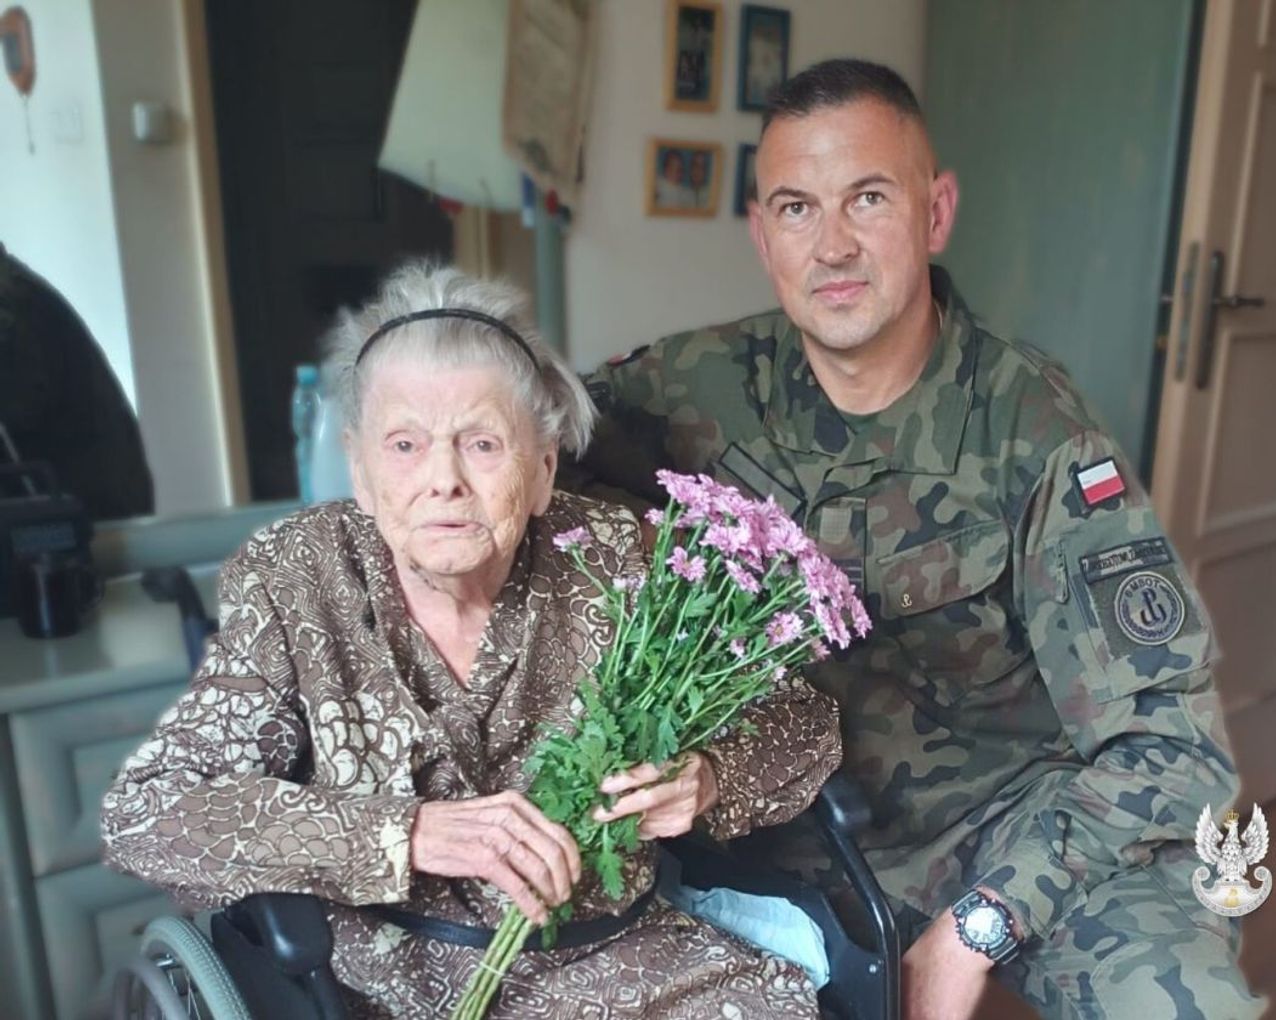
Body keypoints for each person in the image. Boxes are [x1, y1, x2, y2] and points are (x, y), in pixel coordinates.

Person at [568, 60, 1267, 1019]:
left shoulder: (1034, 428)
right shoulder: (686, 387)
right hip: (769, 831)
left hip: (1014, 825)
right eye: (798, 209)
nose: (833, 246)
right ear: (763, 236)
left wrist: (980, 926)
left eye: (869, 199)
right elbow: (499, 446)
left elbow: (1172, 748)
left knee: (1182, 1001)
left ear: (935, 214)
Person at [101, 263, 839, 1018]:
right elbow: (151, 814)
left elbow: (802, 719)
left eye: (482, 443)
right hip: (386, 983)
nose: (444, 479)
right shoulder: (300, 576)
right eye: (404, 444)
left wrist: (708, 777)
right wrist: (408, 833)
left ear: (544, 469)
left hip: (620, 959)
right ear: (360, 471)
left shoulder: (617, 558)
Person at [0, 242, 153, 519]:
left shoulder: (13, 306)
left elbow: (19, 404)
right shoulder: (17, 291)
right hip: (85, 514)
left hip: (83, 520)